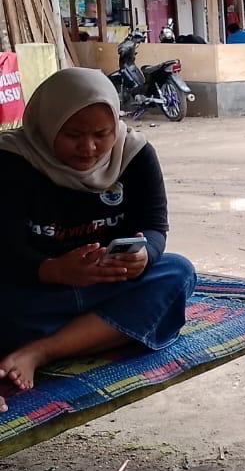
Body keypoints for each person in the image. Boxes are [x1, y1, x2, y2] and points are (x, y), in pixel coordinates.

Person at [0, 69, 196, 412]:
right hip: (36, 294)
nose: (88, 148)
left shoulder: (133, 154)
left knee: (177, 273)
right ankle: (99, 333)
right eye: (73, 135)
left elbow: (154, 227)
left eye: (101, 134)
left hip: (105, 289)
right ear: (47, 124)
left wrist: (145, 255)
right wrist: (52, 270)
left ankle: (41, 350)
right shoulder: (12, 161)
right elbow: (4, 248)